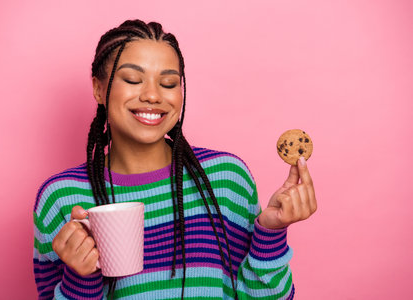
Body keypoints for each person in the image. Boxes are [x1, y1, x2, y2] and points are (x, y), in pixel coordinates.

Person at [33, 19, 317, 300]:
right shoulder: (61, 197)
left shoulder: (226, 179)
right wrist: (80, 281)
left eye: (168, 83)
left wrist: (271, 232)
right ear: (98, 89)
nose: (153, 95)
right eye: (133, 79)